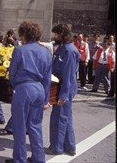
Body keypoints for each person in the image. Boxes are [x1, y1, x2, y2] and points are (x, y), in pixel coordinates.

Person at [5, 21, 52, 163]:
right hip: (39, 89)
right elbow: (47, 78)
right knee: (35, 125)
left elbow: (12, 74)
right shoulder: (45, 52)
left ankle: (19, 159)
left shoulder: (20, 50)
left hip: (24, 88)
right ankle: (39, 158)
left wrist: (16, 86)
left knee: (19, 126)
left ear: (24, 34)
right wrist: (46, 99)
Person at [46, 24, 80, 157]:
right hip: (62, 86)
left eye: (56, 34)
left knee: (59, 118)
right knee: (66, 118)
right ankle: (70, 146)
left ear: (63, 35)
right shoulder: (63, 48)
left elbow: (69, 75)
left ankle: (57, 147)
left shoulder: (69, 51)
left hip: (64, 88)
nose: (55, 36)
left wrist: (63, 95)